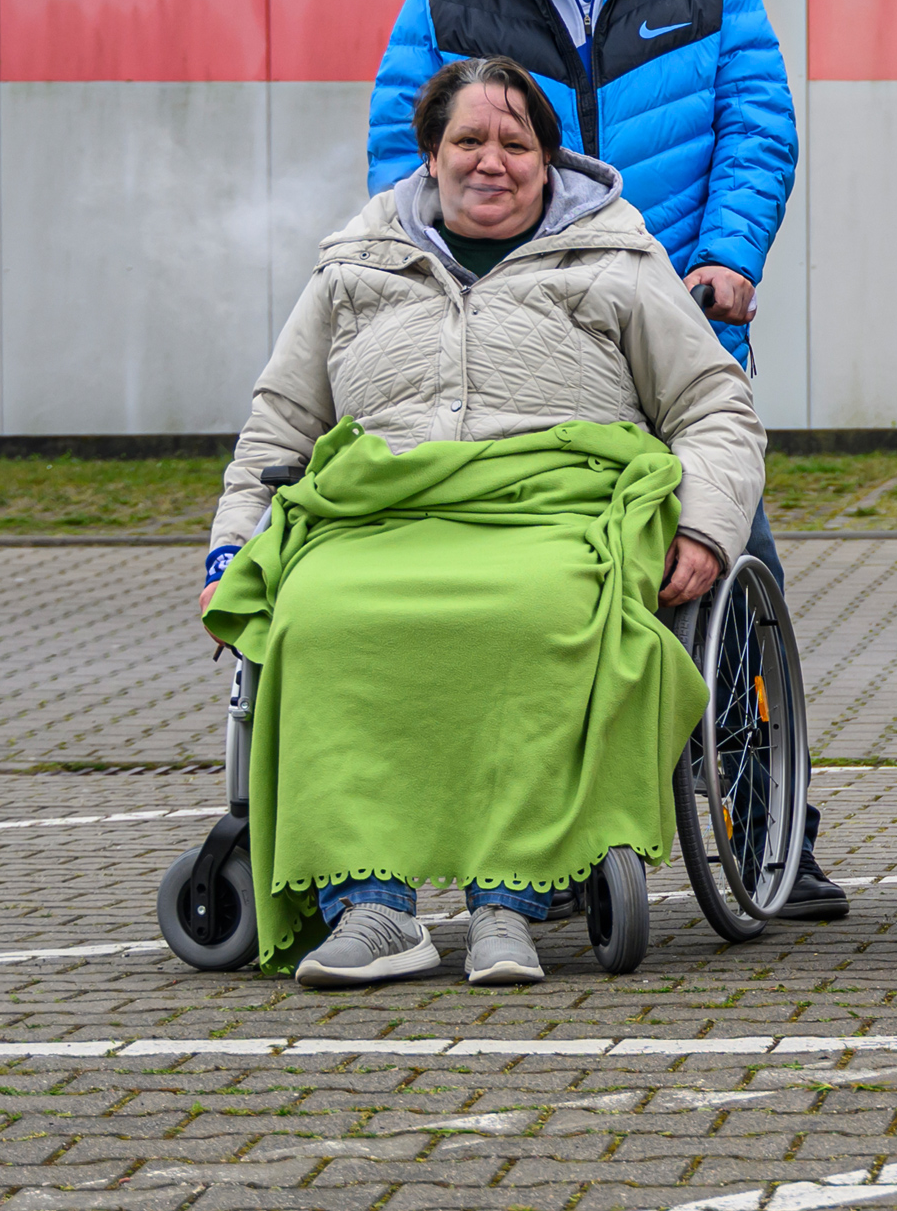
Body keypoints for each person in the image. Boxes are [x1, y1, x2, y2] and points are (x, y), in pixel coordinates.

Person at [360, 0, 843, 916]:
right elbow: (401, 148)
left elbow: (757, 124)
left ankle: (770, 813)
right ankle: (542, 825)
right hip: (522, 334)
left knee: (736, 554)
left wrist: (728, 257)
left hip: (672, 315)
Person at [202, 58, 766, 986]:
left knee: (544, 610)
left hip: (556, 517)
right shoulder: (354, 267)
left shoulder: (618, 260)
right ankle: (371, 906)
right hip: (378, 519)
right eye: (469, 140)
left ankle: (512, 895)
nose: (491, 162)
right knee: (315, 613)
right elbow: (280, 424)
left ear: (550, 160)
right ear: (430, 155)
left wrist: (705, 528)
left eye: (516, 143)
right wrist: (232, 545)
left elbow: (715, 406)